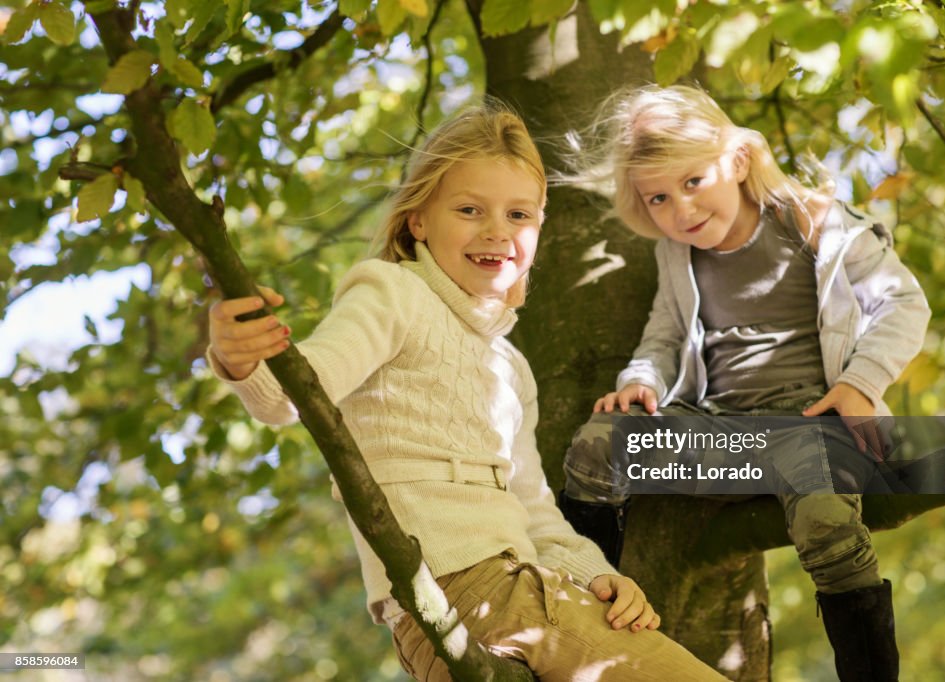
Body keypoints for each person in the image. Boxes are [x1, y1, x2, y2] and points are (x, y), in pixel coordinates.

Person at [205, 103, 725, 681]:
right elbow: (298, 393)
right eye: (470, 209)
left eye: (519, 214)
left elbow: (533, 509)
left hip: (510, 595)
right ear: (418, 221)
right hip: (463, 591)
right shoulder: (392, 293)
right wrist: (240, 356)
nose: (497, 231)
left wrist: (595, 574)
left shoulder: (509, 366)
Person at [558, 84, 930, 681]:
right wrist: (640, 378)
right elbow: (664, 333)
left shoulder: (816, 223)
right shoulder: (676, 254)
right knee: (597, 445)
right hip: (721, 432)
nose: (680, 210)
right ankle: (576, 609)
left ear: (734, 161)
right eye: (658, 197)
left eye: (692, 182)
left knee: (826, 525)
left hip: (808, 425)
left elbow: (904, 304)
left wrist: (861, 384)